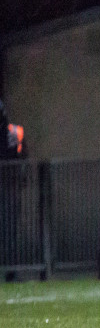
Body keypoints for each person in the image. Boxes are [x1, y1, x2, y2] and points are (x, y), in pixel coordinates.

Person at [0, 99, 27, 282]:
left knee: (9, 233)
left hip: (9, 188)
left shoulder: (15, 133)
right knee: (9, 233)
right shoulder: (14, 132)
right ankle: (10, 271)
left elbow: (24, 157)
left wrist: (21, 179)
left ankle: (11, 271)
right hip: (10, 188)